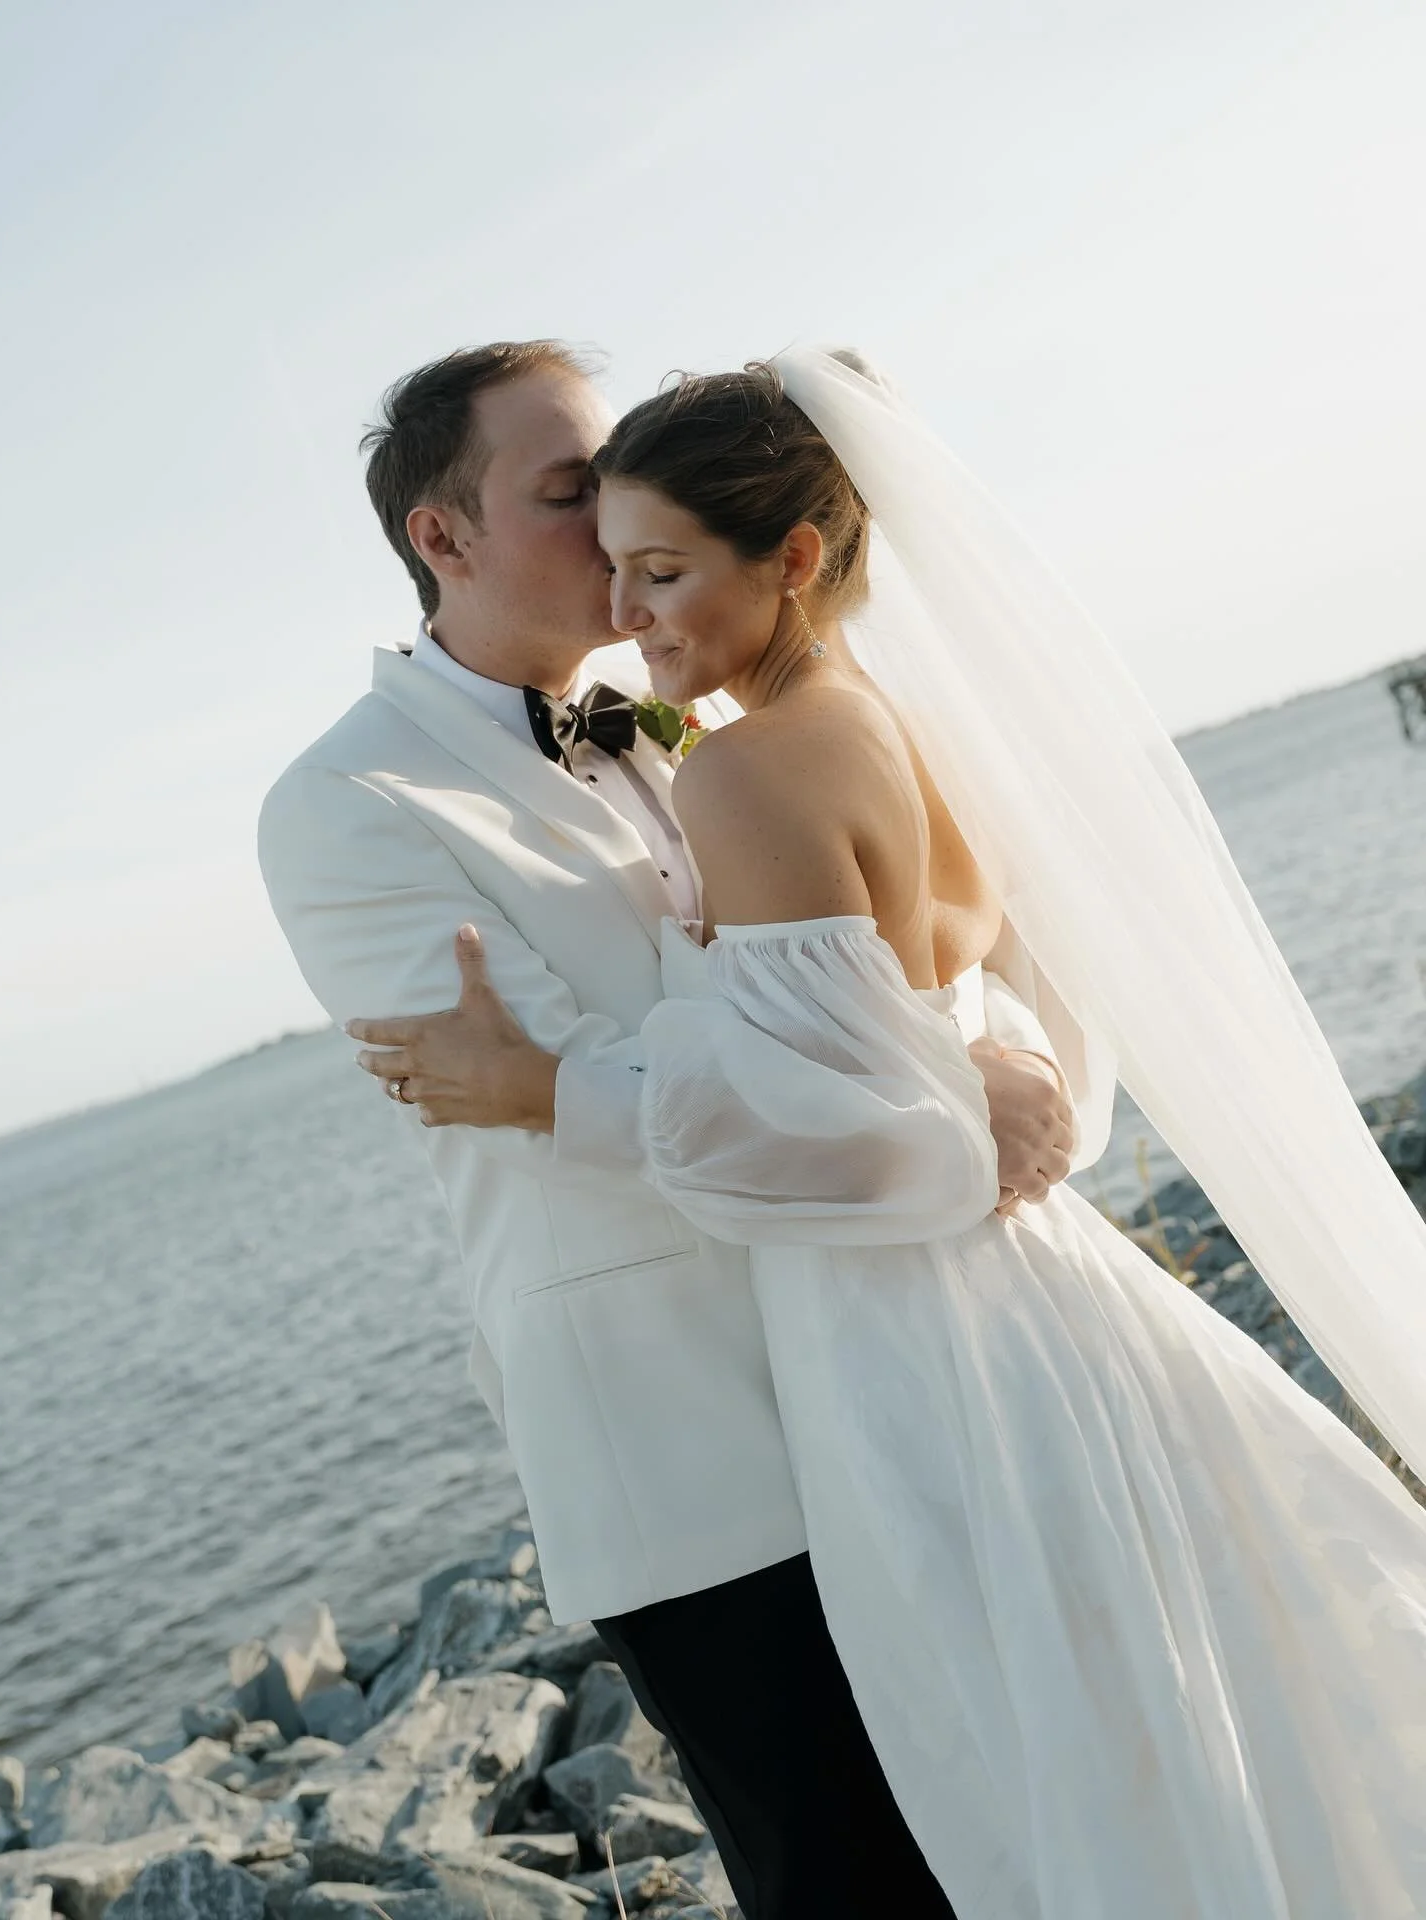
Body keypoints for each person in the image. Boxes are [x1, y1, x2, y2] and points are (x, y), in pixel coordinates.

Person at [350, 350, 1426, 1919]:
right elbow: (965, 993)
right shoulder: (894, 726)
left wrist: (542, 1091)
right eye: (580, 512)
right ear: (444, 536)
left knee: (1026, 1781)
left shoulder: (738, 761)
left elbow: (785, 1114)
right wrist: (978, 1072)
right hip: (1019, 1311)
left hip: (903, 1332)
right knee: (1169, 1717)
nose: (624, 590)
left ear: (786, 558)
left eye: (655, 558)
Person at [257, 340, 1080, 1920]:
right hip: (690, 1453)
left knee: (1023, 1832)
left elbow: (909, 949)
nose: (622, 515)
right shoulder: (346, 803)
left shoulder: (696, 711)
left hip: (894, 1363)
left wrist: (994, 1059)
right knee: (850, 1875)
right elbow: (555, 1101)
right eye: (570, 493)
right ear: (445, 537)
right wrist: (946, 1115)